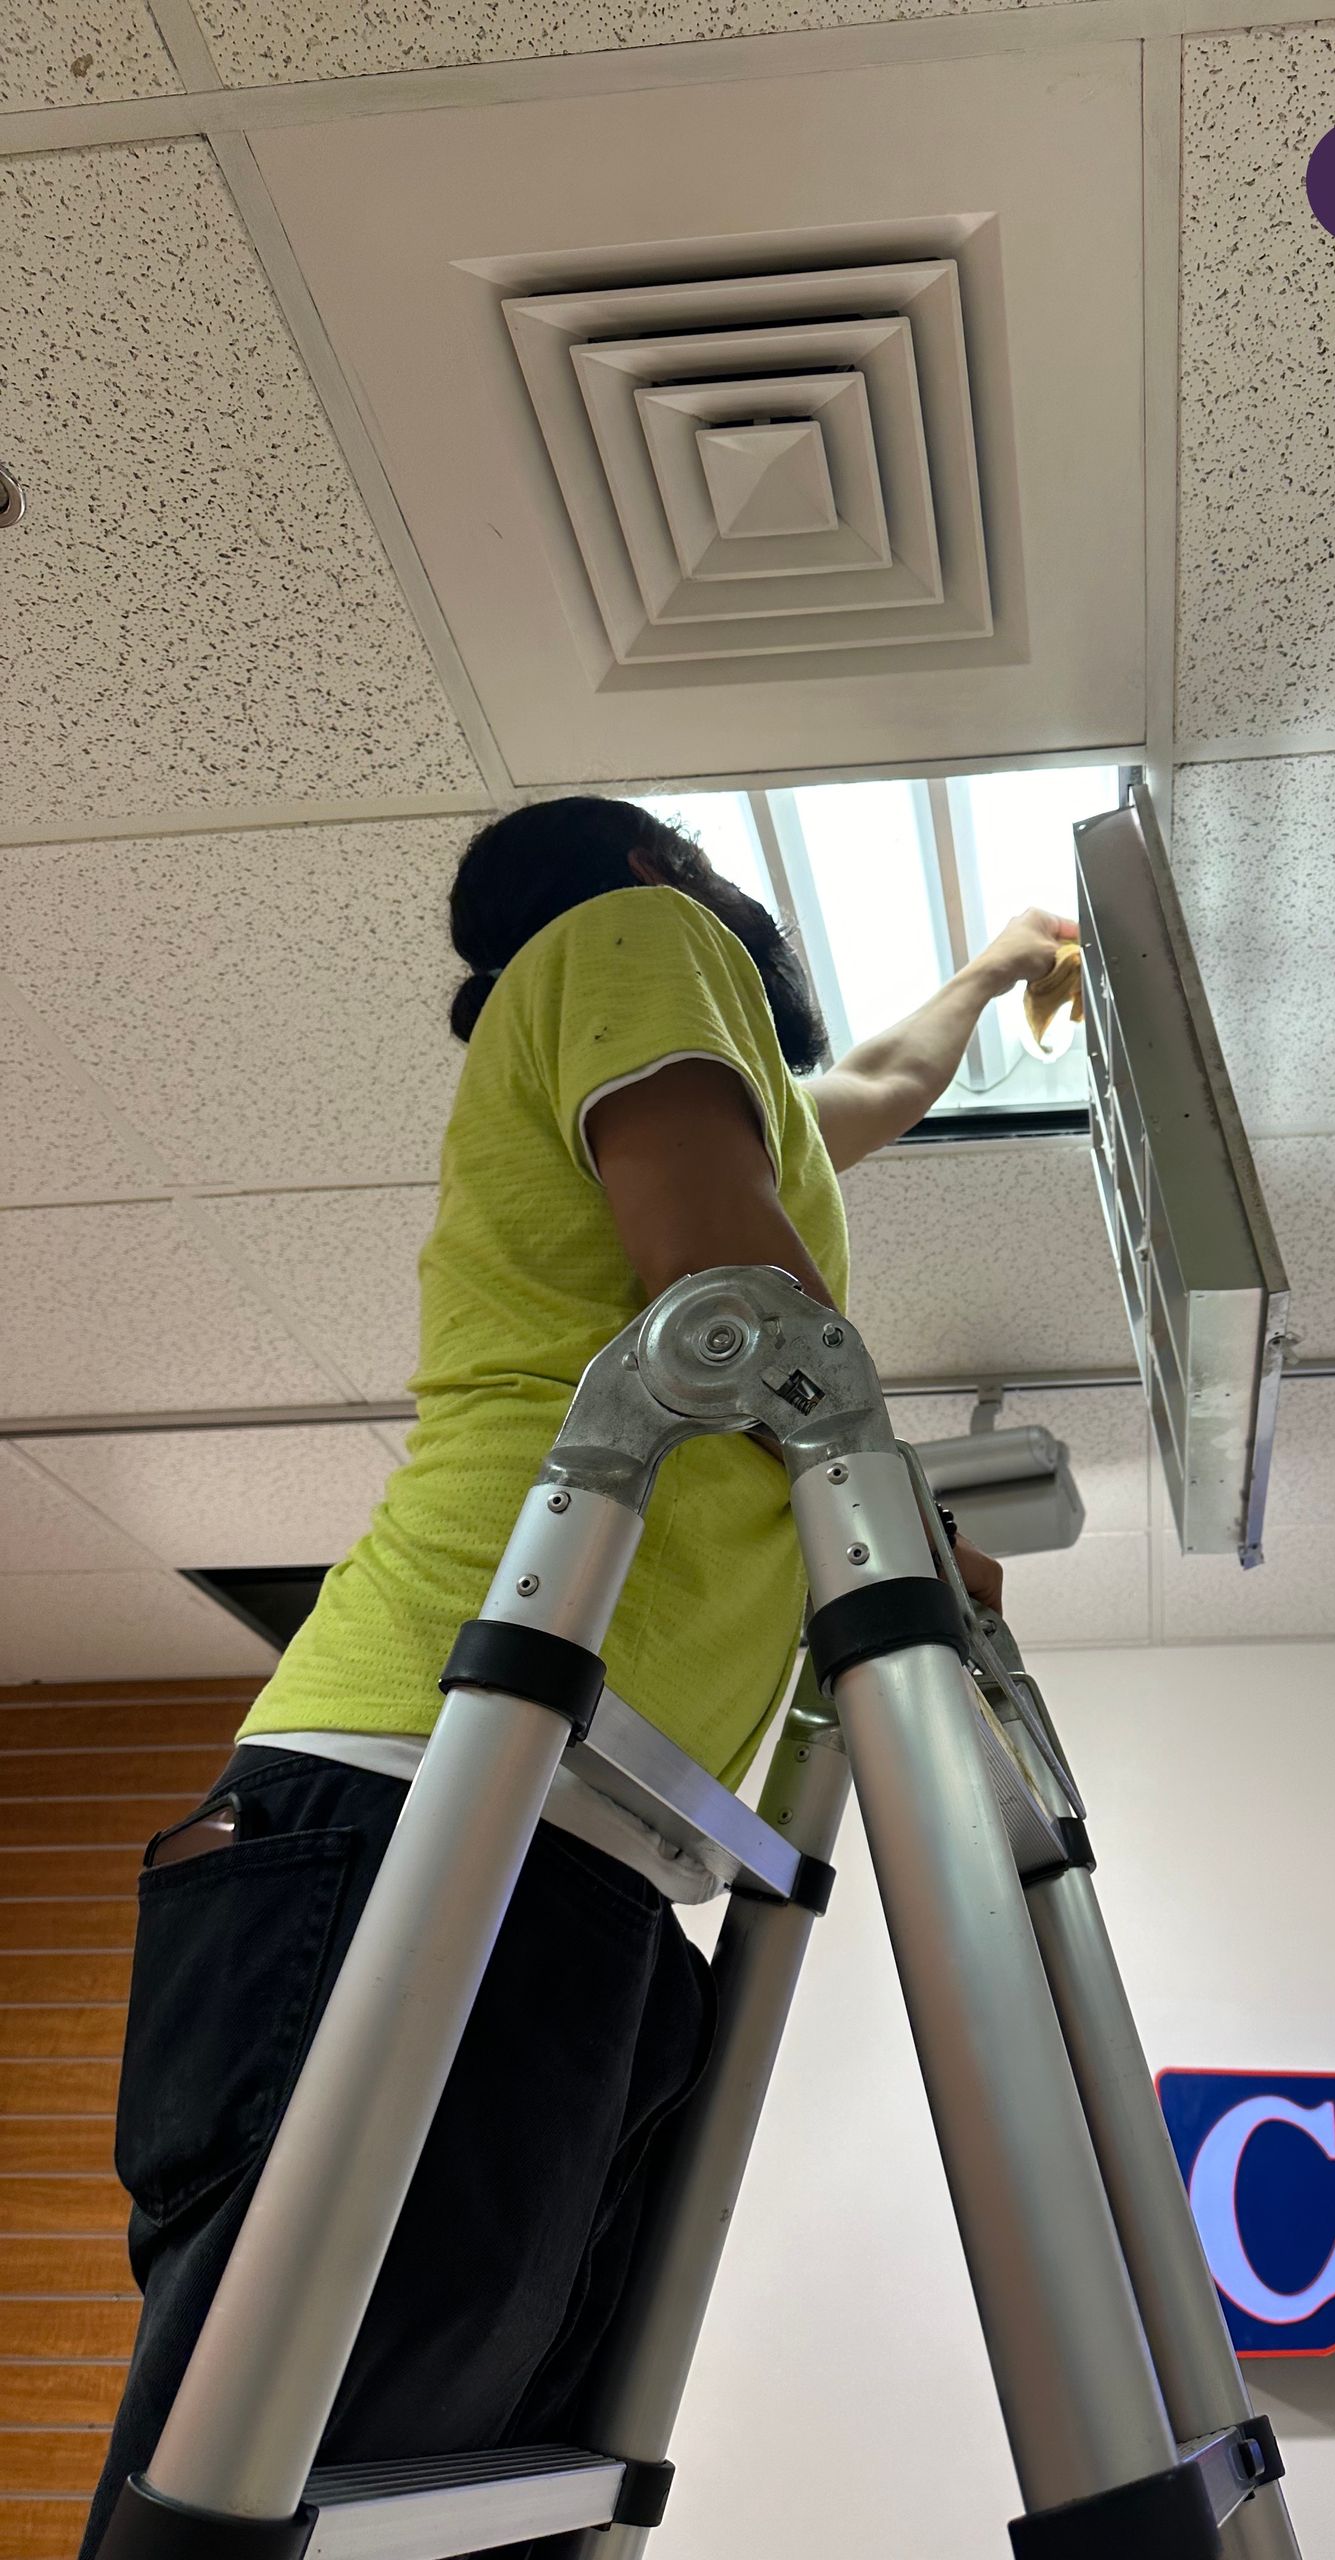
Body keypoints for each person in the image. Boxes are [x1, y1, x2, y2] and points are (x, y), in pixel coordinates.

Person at [83, 793, 1078, 2559]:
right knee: (321, 2460)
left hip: (583, 1828)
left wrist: (999, 966)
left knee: (467, 2471)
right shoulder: (626, 938)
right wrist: (897, 1513)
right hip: (433, 1780)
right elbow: (727, 1284)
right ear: (651, 870)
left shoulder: (687, 1067)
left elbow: (850, 1105)